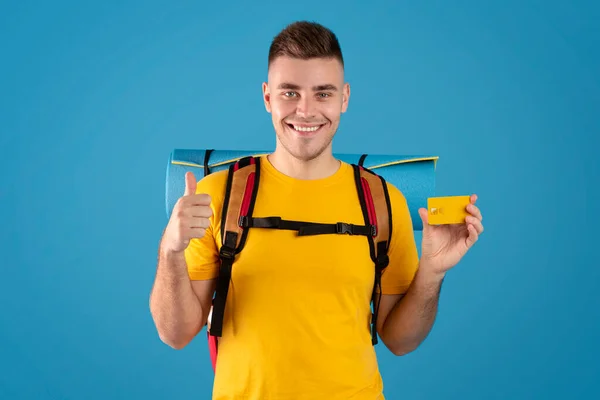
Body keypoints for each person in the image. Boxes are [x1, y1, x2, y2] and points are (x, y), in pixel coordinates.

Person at [149, 20, 484, 400]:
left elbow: (400, 341)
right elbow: (174, 334)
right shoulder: (218, 195)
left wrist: (433, 273)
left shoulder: (382, 199)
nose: (305, 111)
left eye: (322, 94)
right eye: (290, 92)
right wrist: (170, 250)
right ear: (267, 97)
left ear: (344, 98)